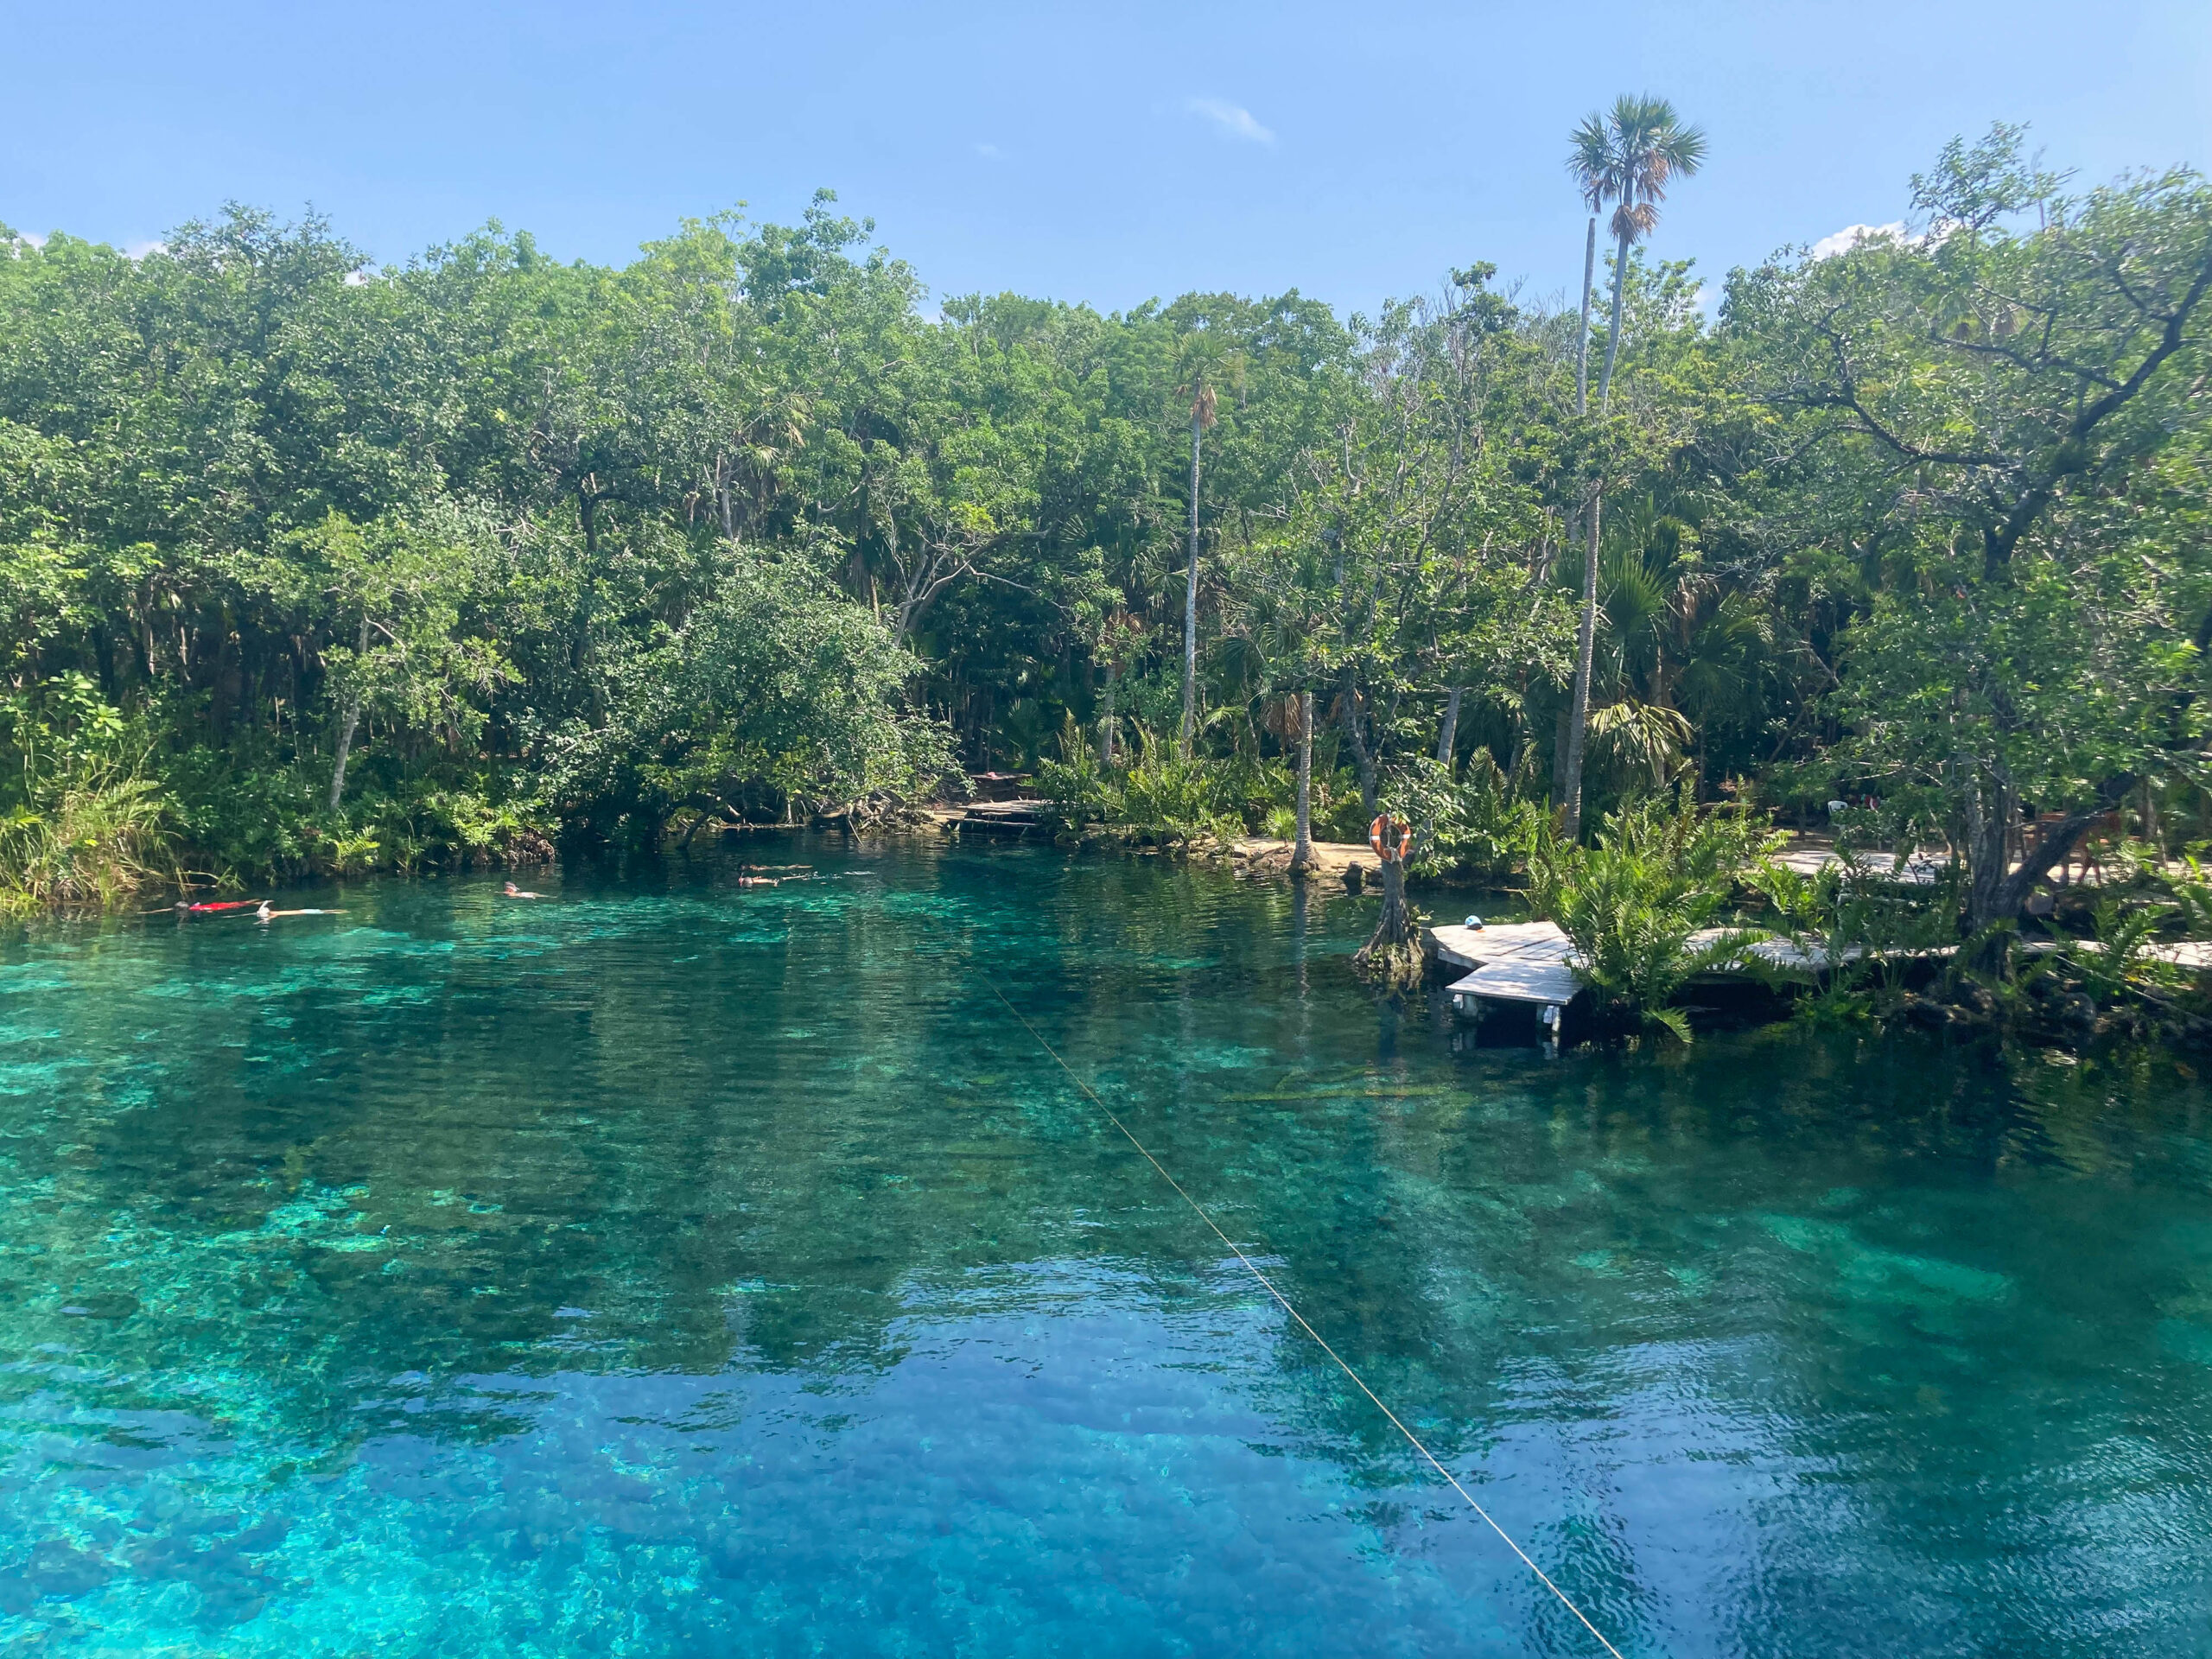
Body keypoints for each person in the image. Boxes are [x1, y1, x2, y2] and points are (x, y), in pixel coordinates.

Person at [255, 901, 345, 922]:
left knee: (324, 912)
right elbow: (264, 906)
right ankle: (341, 911)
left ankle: (341, 912)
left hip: (303, 912)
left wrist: (260, 921)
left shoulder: (275, 914)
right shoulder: (275, 912)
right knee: (323, 911)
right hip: (302, 911)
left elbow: (269, 918)